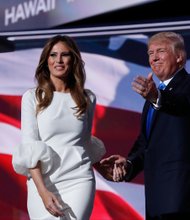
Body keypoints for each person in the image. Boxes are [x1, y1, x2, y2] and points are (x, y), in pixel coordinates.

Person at [12, 35, 106, 220]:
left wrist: (102, 167)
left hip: (79, 179)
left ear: (73, 60)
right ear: (46, 61)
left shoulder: (87, 98)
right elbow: (30, 148)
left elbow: (84, 143)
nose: (59, 60)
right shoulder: (32, 97)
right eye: (53, 55)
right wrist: (42, 192)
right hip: (43, 182)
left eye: (65, 55)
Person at [100, 31, 190, 220]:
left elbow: (182, 105)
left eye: (161, 51)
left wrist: (157, 97)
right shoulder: (154, 95)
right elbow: (147, 143)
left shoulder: (178, 90)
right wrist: (129, 164)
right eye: (150, 53)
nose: (154, 57)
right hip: (157, 197)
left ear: (180, 57)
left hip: (181, 197)